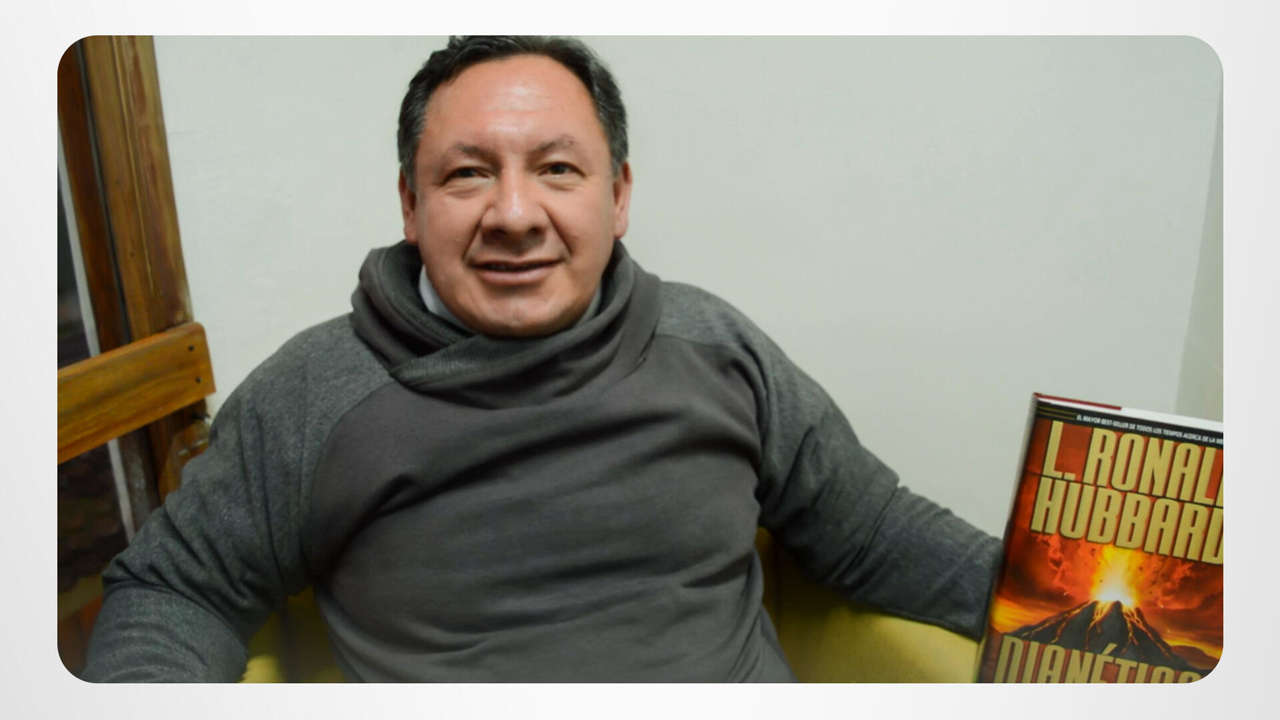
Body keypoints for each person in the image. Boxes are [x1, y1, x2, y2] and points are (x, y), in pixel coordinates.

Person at [83, 36, 1000, 682]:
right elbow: (173, 589)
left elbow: (875, 535)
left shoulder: (715, 346)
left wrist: (1075, 611)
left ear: (619, 196)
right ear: (410, 205)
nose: (515, 215)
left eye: (558, 169)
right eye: (467, 173)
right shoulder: (314, 393)